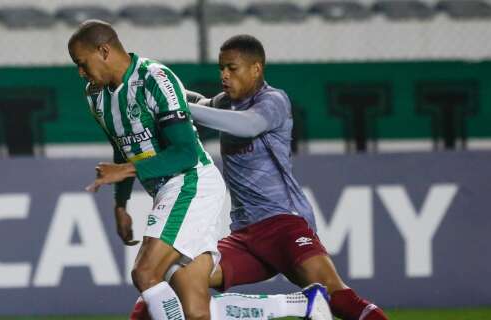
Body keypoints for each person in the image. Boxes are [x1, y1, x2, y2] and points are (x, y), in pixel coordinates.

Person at [70, 21, 331, 320]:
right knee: (196, 310)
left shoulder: (155, 79)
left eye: (81, 63)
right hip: (168, 189)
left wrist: (126, 170)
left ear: (103, 51)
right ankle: (301, 304)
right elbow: (123, 145)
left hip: (190, 183)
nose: (80, 72)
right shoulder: (96, 96)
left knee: (145, 273)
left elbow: (184, 154)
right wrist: (121, 203)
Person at [131, 35, 388, 320]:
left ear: (256, 69)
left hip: (284, 225)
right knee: (174, 280)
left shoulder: (273, 101)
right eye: (221, 68)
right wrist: (155, 89)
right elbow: (198, 102)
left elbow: (247, 125)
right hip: (244, 235)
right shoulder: (224, 103)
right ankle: (294, 304)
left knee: (334, 295)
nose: (224, 75)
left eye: (232, 68)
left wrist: (178, 109)